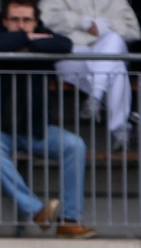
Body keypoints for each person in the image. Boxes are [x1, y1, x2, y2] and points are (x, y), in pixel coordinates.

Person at [0, 0, 96, 238]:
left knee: (75, 146)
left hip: (36, 130)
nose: (21, 26)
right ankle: (37, 211)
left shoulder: (44, 36)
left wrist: (25, 39)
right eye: (15, 20)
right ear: (4, 21)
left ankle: (69, 220)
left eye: (27, 20)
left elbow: (65, 44)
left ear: (37, 21)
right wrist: (28, 38)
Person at [40, 0, 141, 152]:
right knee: (116, 67)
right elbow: (45, 20)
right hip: (73, 52)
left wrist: (105, 25)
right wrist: (81, 22)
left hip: (107, 50)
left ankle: (96, 95)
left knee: (113, 41)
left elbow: (133, 30)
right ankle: (120, 129)